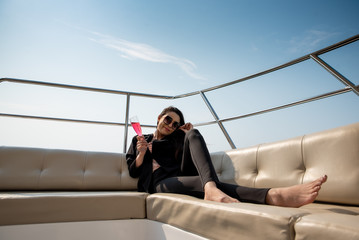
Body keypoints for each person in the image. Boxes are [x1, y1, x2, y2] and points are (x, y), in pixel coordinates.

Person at [126, 106, 327, 207]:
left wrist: (185, 134)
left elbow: (187, 160)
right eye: (168, 120)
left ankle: (210, 188)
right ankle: (273, 195)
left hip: (179, 174)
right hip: (158, 182)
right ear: (159, 118)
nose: (170, 125)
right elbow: (133, 171)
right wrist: (142, 153)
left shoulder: (174, 139)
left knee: (195, 134)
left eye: (175, 124)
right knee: (205, 181)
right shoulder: (139, 139)